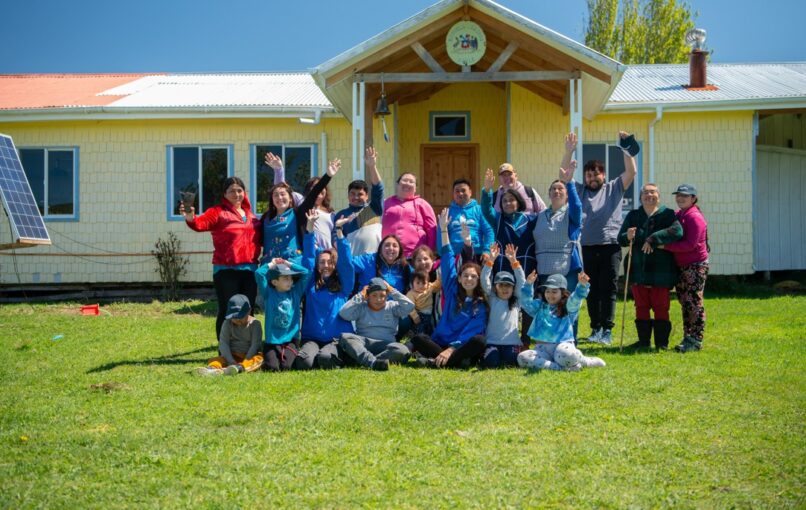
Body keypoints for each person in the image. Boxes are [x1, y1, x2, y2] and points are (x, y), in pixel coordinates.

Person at [562, 131, 637, 345]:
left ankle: (607, 330)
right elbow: (563, 175)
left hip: (610, 247)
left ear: (603, 175)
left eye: (596, 175)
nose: (592, 178)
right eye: (588, 175)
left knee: (608, 290)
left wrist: (624, 148)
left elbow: (631, 171)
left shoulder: (614, 188)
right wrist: (568, 151)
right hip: (585, 247)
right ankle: (595, 328)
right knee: (590, 290)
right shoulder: (580, 190)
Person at [181, 176, 261, 339]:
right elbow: (199, 224)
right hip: (226, 271)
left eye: (239, 190)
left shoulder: (251, 216)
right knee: (227, 310)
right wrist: (190, 215)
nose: (236, 194)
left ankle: (245, 346)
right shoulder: (218, 212)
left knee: (248, 309)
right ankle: (224, 349)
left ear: (244, 193)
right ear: (224, 194)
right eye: (232, 191)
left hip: (250, 271)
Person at [410, 209, 487, 369]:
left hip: (461, 346)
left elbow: (472, 331)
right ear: (459, 278)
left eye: (473, 277)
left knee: (479, 341)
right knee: (418, 339)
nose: (469, 279)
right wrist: (444, 229)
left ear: (478, 280)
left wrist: (453, 348)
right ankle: (454, 362)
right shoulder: (452, 288)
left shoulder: (479, 303)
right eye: (465, 276)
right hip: (441, 342)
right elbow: (447, 256)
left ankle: (438, 362)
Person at [617, 183, 683, 350]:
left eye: (653, 192)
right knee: (641, 307)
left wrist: (653, 238)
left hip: (661, 270)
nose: (649, 195)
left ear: (658, 196)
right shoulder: (634, 215)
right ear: (641, 197)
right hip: (638, 269)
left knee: (661, 307)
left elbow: (677, 231)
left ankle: (662, 344)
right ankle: (644, 342)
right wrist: (628, 235)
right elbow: (621, 239)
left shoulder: (667, 215)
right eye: (645, 193)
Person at [295, 211, 355, 370]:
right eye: (322, 262)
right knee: (303, 363)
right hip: (312, 338)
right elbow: (307, 258)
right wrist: (310, 227)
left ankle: (339, 355)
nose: (326, 265)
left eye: (330, 262)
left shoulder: (344, 285)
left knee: (326, 358)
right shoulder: (310, 284)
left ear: (335, 265)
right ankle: (317, 355)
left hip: (336, 338)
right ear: (317, 265)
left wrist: (340, 233)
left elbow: (347, 264)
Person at [516, 273, 606, 371]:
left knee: (567, 355)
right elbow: (526, 303)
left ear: (562, 293)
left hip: (562, 348)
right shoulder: (539, 305)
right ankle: (560, 367)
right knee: (522, 358)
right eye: (548, 291)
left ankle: (585, 361)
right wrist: (528, 284)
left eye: (554, 292)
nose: (550, 295)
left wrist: (582, 286)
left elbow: (575, 299)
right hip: (542, 350)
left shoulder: (568, 306)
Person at [657, 184, 709, 353]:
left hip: (695, 265)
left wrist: (665, 247)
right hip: (683, 266)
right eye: (678, 195)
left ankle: (696, 340)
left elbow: (690, 245)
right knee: (685, 302)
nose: (680, 198)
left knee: (694, 302)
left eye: (684, 196)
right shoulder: (680, 214)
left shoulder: (694, 217)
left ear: (693, 198)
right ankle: (688, 337)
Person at [260, 158, 341, 264]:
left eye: (283, 194)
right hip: (270, 265)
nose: (279, 198)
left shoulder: (298, 214)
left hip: (293, 265)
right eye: (275, 195)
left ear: (291, 198)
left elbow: (313, 194)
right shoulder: (266, 218)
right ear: (272, 199)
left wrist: (328, 175)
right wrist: (278, 170)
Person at [337, 277, 414, 371]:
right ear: (368, 295)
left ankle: (365, 361)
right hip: (364, 344)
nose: (379, 299)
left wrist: (393, 290)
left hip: (386, 345)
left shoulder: (392, 306)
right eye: (374, 295)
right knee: (346, 337)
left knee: (402, 350)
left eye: (382, 295)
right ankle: (373, 362)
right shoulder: (362, 307)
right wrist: (360, 295)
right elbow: (343, 313)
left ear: (387, 295)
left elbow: (410, 306)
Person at [254, 258, 311, 371]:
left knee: (287, 366)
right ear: (275, 282)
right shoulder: (268, 294)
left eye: (290, 278)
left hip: (290, 341)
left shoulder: (295, 292)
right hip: (272, 341)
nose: (290, 281)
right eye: (285, 278)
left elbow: (306, 273)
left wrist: (288, 263)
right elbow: (258, 273)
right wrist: (272, 264)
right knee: (272, 368)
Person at [481, 168, 538, 276]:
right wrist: (487, 190)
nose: (508, 203)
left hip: (527, 268)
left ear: (519, 202)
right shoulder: (498, 219)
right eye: (504, 201)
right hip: (503, 270)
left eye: (511, 200)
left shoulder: (532, 220)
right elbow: (486, 209)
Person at [480, 243, 526, 368]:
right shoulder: (492, 298)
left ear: (513, 288)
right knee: (492, 362)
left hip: (512, 343)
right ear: (495, 287)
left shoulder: (516, 301)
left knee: (512, 361)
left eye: (508, 285)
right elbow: (484, 279)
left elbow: (522, 282)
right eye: (501, 285)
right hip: (491, 342)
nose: (505, 289)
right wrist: (491, 260)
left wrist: (513, 261)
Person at [194, 294, 263, 376]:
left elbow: (255, 345)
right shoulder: (227, 323)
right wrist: (231, 361)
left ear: (249, 311)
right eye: (234, 317)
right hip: (232, 355)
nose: (237, 319)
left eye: (240, 316)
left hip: (248, 356)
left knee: (259, 359)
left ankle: (240, 368)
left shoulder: (255, 324)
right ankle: (212, 369)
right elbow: (223, 343)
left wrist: (246, 359)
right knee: (217, 359)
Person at [333, 146, 384, 256]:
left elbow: (378, 188)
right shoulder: (341, 215)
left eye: (360, 194)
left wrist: (372, 166)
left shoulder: (375, 208)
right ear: (347, 195)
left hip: (374, 261)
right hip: (353, 263)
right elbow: (335, 240)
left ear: (367, 196)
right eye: (352, 194)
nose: (356, 197)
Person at [382, 172, 437, 258]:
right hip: (389, 253)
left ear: (415, 188)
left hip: (415, 255)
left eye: (411, 182)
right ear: (397, 184)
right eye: (404, 180)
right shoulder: (385, 203)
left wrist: (429, 252)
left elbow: (432, 230)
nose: (407, 183)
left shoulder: (422, 204)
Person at [443, 178, 494, 263]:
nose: (460, 193)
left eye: (463, 190)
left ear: (470, 192)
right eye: (457, 191)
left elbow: (489, 231)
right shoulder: (447, 213)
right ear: (453, 194)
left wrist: (487, 251)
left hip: (477, 254)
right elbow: (441, 233)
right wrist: (443, 253)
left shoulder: (479, 210)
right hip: (454, 255)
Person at [302, 175, 334, 251]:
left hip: (328, 254)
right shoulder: (305, 209)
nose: (318, 189)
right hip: (312, 252)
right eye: (314, 187)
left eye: (321, 186)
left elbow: (334, 234)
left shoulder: (331, 213)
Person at [405, 270, 441, 336]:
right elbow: (409, 306)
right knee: (416, 331)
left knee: (429, 331)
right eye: (418, 283)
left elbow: (437, 285)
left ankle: (425, 344)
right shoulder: (411, 293)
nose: (421, 286)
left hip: (429, 316)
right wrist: (415, 316)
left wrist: (441, 277)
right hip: (419, 315)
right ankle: (404, 342)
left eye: (424, 283)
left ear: (427, 283)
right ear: (412, 283)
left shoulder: (429, 288)